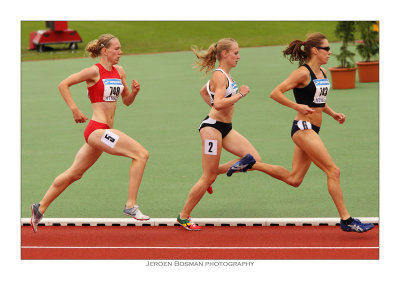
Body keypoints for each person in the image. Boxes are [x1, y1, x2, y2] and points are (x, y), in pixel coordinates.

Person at [227, 32, 374, 233]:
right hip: (303, 129)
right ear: (315, 50)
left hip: (313, 129)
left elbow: (319, 101)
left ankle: (252, 163)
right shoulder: (303, 73)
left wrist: (332, 114)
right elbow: (275, 93)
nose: (330, 52)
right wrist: (298, 106)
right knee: (333, 171)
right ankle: (347, 220)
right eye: (326, 49)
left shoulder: (322, 72)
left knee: (294, 179)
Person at [30, 34, 150, 233]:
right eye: (117, 49)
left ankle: (39, 208)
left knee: (74, 173)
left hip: (104, 132)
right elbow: (63, 84)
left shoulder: (120, 71)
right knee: (141, 154)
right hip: (97, 130)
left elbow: (126, 101)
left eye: (120, 49)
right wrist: (74, 109)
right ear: (105, 51)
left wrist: (134, 92)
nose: (121, 53)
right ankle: (131, 205)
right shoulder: (93, 72)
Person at [177, 38, 261, 231]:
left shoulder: (225, 76)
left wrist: (221, 108)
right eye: (236, 53)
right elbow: (218, 103)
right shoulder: (220, 75)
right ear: (224, 54)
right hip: (212, 129)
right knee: (207, 177)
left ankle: (213, 172)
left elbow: (203, 92)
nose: (239, 57)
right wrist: (241, 94)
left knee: (253, 159)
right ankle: (183, 216)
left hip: (225, 128)